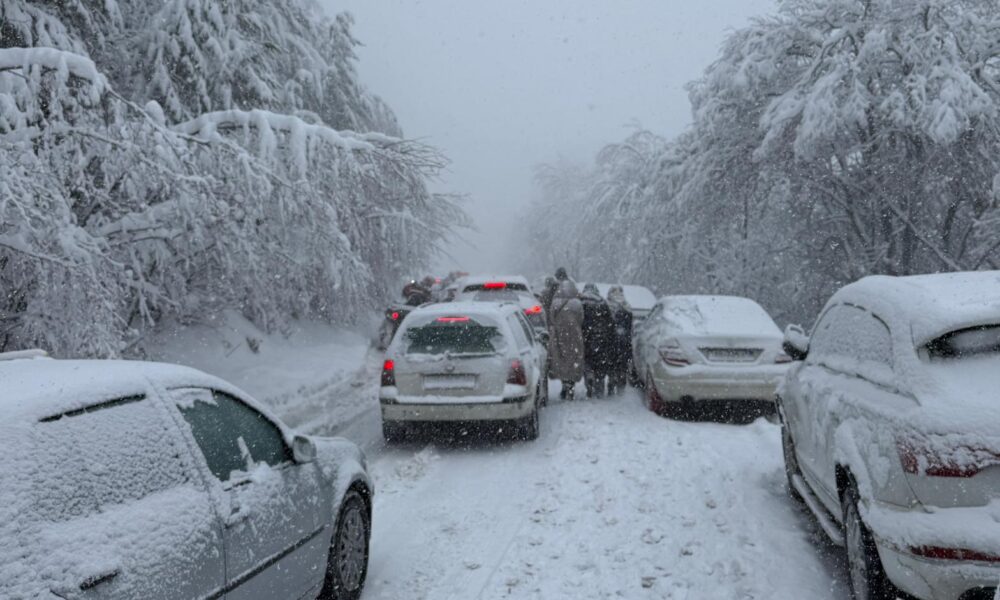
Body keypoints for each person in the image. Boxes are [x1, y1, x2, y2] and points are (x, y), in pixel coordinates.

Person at [548, 278, 584, 400]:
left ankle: (564, 385)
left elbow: (552, 319)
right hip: (574, 335)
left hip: (559, 334)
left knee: (561, 359)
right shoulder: (577, 303)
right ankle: (571, 385)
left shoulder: (555, 303)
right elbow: (581, 319)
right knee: (573, 358)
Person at [580, 283, 615, 398]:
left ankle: (589, 379)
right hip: (601, 337)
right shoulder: (602, 302)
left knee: (587, 360)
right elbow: (610, 322)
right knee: (600, 363)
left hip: (585, 337)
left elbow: (577, 320)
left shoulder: (581, 302)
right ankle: (599, 386)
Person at [606, 285, 634, 395]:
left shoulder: (608, 306)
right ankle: (621, 386)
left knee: (611, 363)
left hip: (611, 340)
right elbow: (630, 326)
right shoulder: (627, 306)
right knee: (622, 364)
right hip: (625, 341)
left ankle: (611, 384)